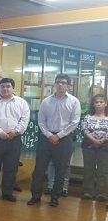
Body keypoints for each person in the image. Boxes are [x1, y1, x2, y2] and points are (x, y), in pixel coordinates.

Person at [28, 74, 80, 207]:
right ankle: (35, 196)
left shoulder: (74, 101)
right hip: (46, 138)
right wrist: (50, 135)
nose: (60, 85)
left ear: (68, 85)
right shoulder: (46, 101)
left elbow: (74, 122)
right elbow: (41, 121)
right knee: (39, 169)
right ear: (54, 85)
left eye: (63, 83)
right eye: (58, 82)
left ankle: (55, 197)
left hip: (64, 139)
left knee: (60, 170)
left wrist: (59, 135)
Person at [0, 78, 29, 202]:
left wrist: (15, 131)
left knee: (11, 167)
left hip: (14, 139)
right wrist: (0, 132)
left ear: (13, 88)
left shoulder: (22, 103)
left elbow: (24, 120)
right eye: (2, 86)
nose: (5, 89)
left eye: (8, 86)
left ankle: (7, 192)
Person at [80, 94, 108, 201]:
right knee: (88, 169)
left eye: (101, 102)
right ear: (93, 104)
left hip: (105, 147)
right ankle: (87, 191)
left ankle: (102, 193)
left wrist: (102, 141)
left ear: (105, 104)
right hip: (89, 146)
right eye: (96, 102)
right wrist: (94, 141)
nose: (99, 104)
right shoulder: (87, 117)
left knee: (103, 171)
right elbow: (85, 130)